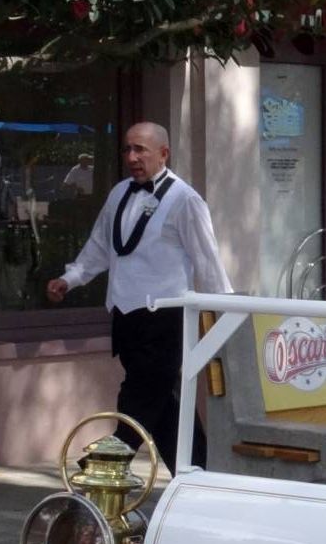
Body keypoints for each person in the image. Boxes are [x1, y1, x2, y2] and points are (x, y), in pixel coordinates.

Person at [47, 122, 231, 470]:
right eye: (128, 149)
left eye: (140, 150)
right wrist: (69, 279)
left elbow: (208, 261)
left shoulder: (185, 199)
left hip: (165, 318)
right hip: (125, 316)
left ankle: (104, 466)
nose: (132, 157)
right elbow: (100, 247)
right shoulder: (119, 193)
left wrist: (225, 311)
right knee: (164, 405)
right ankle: (197, 474)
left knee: (139, 396)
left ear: (163, 153)